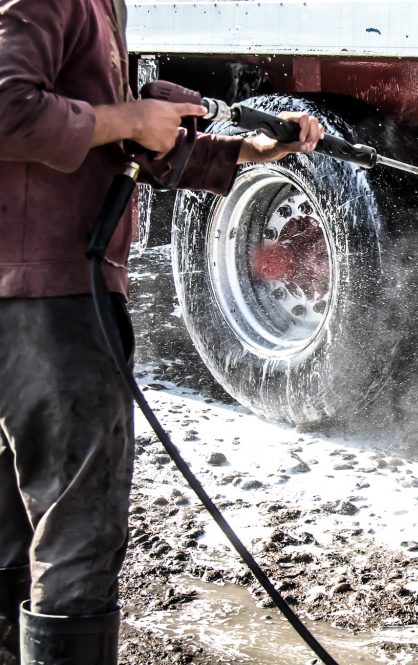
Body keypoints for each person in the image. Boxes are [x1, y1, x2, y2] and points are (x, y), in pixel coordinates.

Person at [0, 1, 324, 663]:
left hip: (37, 300)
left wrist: (246, 150)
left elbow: (111, 144)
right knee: (77, 533)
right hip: (48, 307)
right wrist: (129, 117)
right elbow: (8, 109)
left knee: (15, 520)